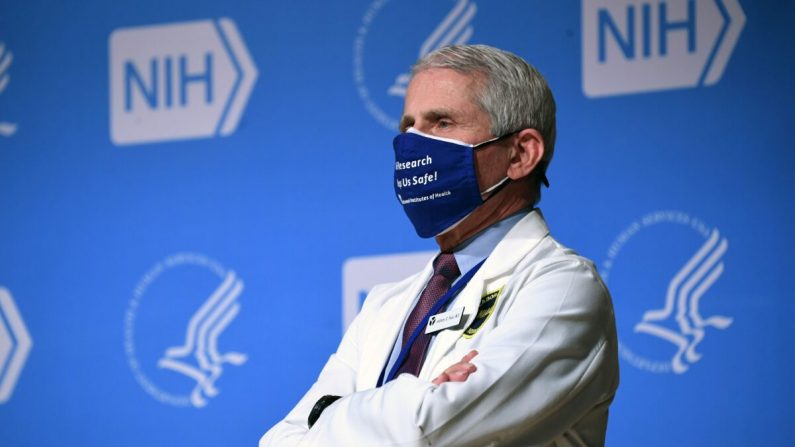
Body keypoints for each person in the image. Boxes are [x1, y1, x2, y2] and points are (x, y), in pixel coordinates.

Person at [260, 44, 619, 447]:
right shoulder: (385, 305)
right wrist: (420, 396)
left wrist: (329, 414)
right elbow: (281, 441)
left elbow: (433, 430)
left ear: (520, 153)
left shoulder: (563, 288)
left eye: (441, 123)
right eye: (407, 127)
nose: (413, 146)